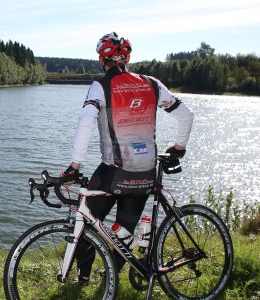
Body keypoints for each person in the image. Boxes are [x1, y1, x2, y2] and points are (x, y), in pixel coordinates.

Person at [63, 32, 194, 283]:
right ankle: (110, 279)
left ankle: (83, 277)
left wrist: (74, 165)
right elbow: (186, 115)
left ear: (102, 60)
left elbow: (86, 122)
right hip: (145, 173)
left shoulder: (101, 86)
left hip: (113, 172)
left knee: (86, 221)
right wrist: (179, 148)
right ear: (128, 58)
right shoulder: (152, 83)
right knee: (125, 230)